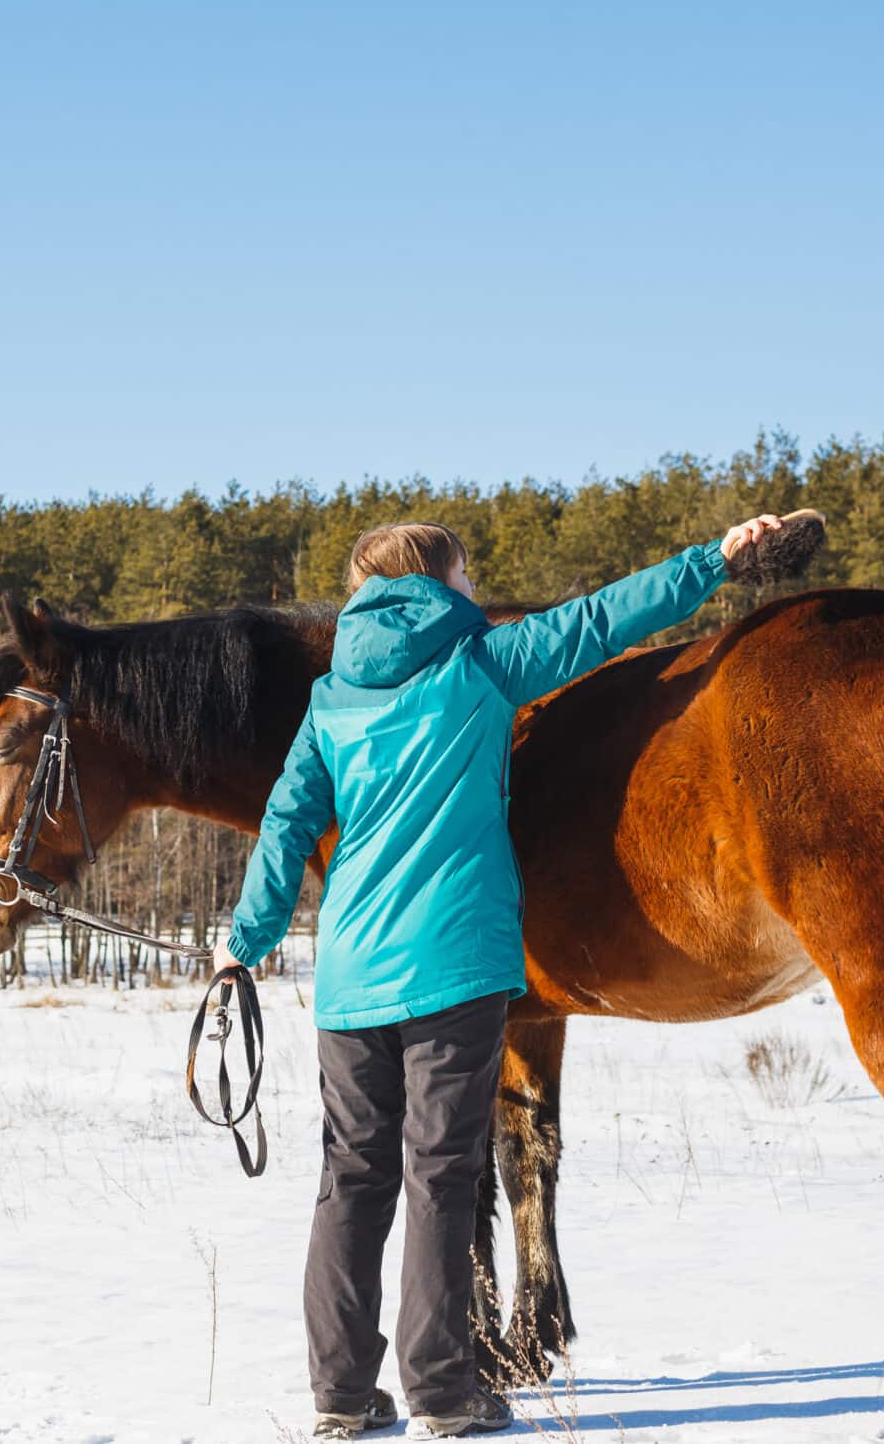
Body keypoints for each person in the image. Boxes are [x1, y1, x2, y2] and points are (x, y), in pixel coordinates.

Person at [218, 513, 786, 1439]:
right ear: (440, 582)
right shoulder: (478, 664)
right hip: (457, 969)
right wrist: (713, 561)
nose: (476, 589)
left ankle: (341, 1395)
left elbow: (285, 827)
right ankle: (445, 1395)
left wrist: (243, 939)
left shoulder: (330, 699)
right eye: (467, 574)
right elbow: (604, 621)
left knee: (350, 1180)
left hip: (352, 977)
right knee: (441, 1173)